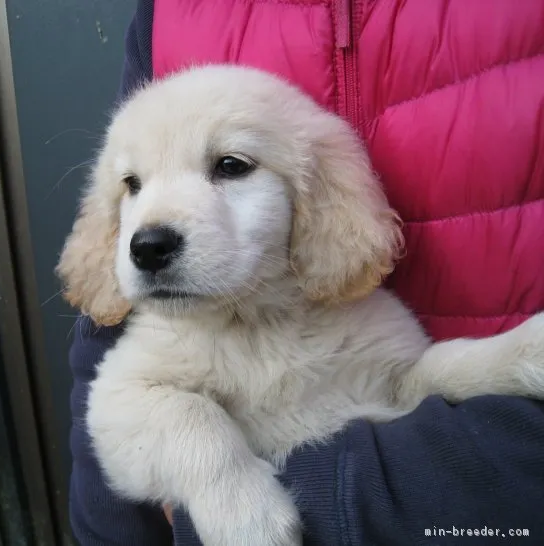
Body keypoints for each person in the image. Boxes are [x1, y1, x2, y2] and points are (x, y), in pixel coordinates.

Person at [67, 0, 544, 544]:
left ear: (313, 196)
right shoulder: (162, 345)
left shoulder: (361, 320)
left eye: (231, 166)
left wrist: (510, 359)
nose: (148, 233)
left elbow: (410, 384)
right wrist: (213, 473)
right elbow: (118, 412)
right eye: (133, 183)